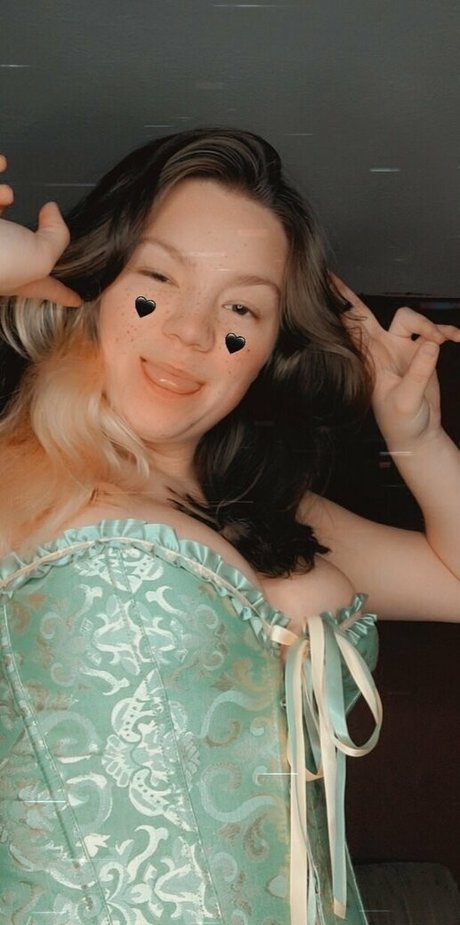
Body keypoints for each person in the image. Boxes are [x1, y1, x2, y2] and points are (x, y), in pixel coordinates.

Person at [0, 129, 458, 925]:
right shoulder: (16, 472)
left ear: (270, 348)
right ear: (94, 285)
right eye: (156, 284)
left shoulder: (275, 511)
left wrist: (416, 438)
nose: (191, 333)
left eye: (241, 311)